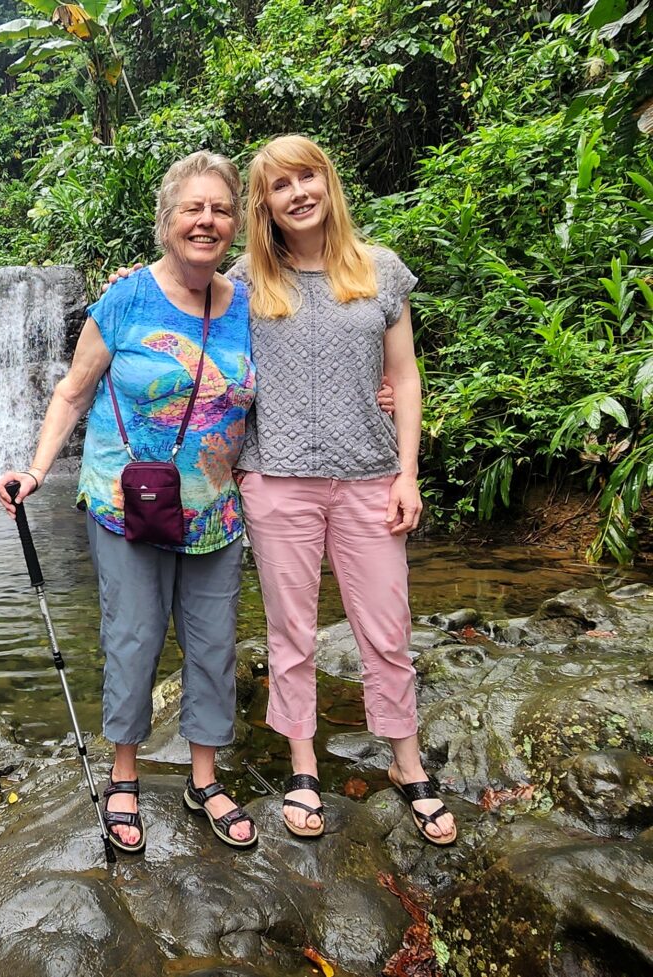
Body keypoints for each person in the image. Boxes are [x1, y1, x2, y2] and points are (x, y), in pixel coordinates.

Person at [0, 151, 259, 852]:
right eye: (192, 208)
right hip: (125, 501)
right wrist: (36, 469)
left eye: (220, 208)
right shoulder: (125, 299)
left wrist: (381, 391)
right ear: (166, 219)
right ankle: (124, 775)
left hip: (213, 509)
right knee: (132, 637)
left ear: (235, 221)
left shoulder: (250, 306)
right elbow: (73, 392)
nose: (207, 220)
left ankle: (205, 777)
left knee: (211, 645)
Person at [232, 134, 456, 845]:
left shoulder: (380, 270)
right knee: (291, 633)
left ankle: (406, 761)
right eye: (279, 185)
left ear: (328, 184)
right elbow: (179, 300)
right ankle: (303, 764)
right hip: (278, 481)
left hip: (369, 478)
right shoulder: (244, 281)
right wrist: (129, 284)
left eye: (307, 177)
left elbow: (407, 376)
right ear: (263, 204)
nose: (297, 193)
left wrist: (409, 471)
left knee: (387, 630)